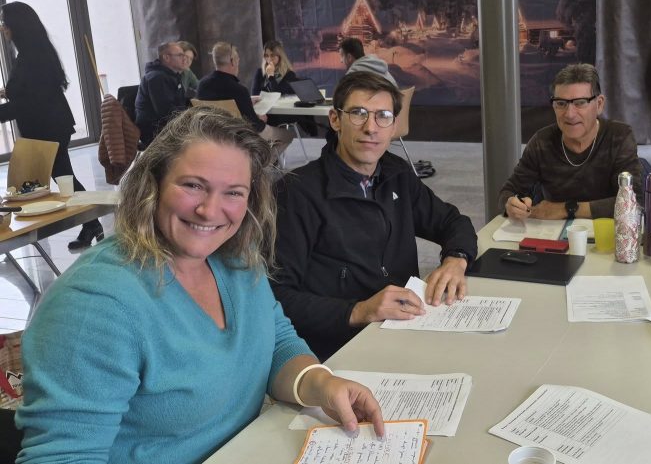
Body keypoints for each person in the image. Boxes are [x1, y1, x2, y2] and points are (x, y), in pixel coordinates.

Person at [15, 106, 384, 463]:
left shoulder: (236, 259)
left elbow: (275, 343)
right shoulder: (93, 304)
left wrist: (321, 384)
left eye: (233, 192)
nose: (209, 210)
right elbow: (62, 456)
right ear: (153, 184)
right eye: (193, 185)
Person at [272, 71, 477, 359]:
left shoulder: (396, 173)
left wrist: (456, 258)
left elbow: (452, 221)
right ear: (335, 120)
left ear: (393, 126)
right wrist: (358, 311)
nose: (371, 127)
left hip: (403, 330)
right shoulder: (296, 192)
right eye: (358, 113)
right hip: (340, 347)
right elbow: (276, 298)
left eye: (383, 116)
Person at [0, 1, 103, 250]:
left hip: (47, 127)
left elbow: (28, 102)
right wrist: (9, 92)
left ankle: (89, 221)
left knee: (59, 178)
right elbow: (29, 92)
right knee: (60, 177)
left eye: (5, 22)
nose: (3, 27)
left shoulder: (32, 57)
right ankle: (91, 223)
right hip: (49, 124)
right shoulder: (33, 51)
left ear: (17, 25)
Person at [499, 63, 642, 221]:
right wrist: (511, 204)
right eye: (561, 103)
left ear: (599, 104)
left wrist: (566, 209)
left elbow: (635, 201)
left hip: (609, 231)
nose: (569, 114)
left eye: (580, 103)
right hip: (555, 233)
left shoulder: (619, 137)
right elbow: (509, 191)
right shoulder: (542, 142)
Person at [197, 42, 294, 160]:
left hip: (212, 134)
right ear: (232, 61)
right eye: (237, 59)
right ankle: (261, 166)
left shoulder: (202, 85)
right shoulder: (238, 90)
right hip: (241, 136)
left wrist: (247, 101)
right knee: (288, 135)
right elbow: (255, 126)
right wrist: (260, 119)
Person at [135, 41, 190, 148]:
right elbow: (166, 112)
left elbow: (179, 103)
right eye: (180, 55)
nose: (185, 59)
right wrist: (191, 117)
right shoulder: (156, 78)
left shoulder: (172, 75)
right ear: (166, 57)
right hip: (156, 132)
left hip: (169, 126)